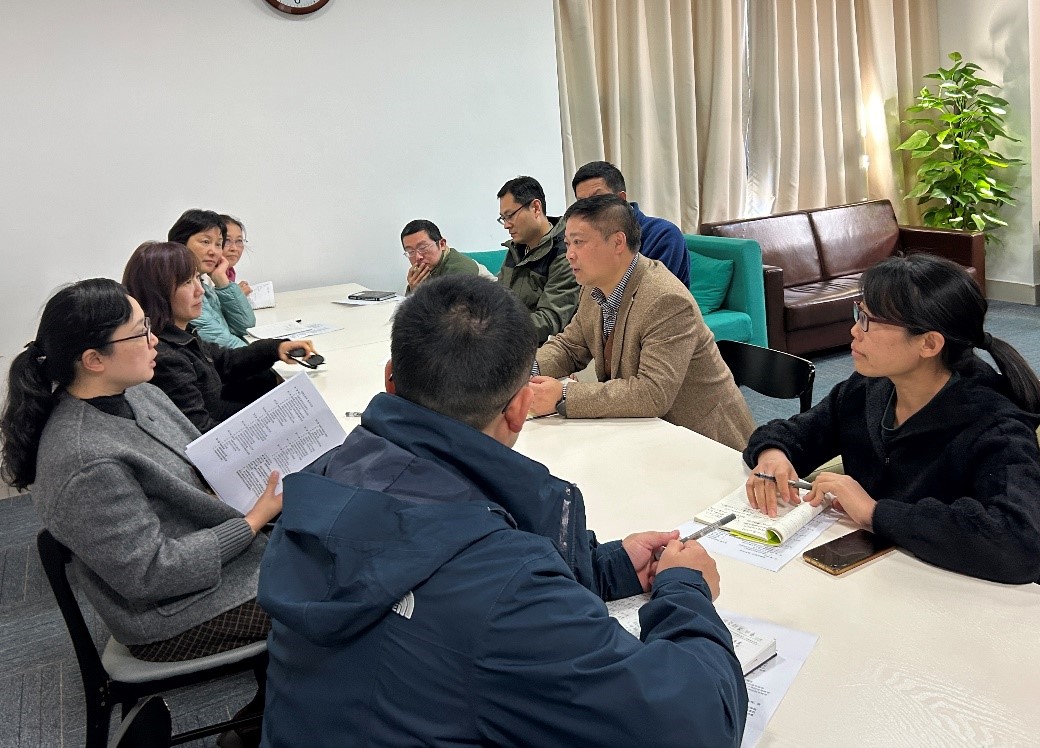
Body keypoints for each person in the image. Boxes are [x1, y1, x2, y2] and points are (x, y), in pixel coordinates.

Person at [257, 276, 747, 747]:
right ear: (520, 408)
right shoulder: (504, 588)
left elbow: (437, 546)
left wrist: (607, 567)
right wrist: (686, 591)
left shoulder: (324, 477)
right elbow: (696, 725)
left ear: (390, 378)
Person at [0, 278, 282, 662]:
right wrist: (252, 522)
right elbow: (151, 574)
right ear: (94, 360)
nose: (154, 340)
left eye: (148, 325)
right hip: (172, 614)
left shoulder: (139, 392)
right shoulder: (85, 461)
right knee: (336, 596)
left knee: (335, 554)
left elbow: (195, 466)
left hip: (213, 556)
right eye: (139, 333)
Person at [744, 254, 1040, 584]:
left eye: (869, 321)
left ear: (929, 343)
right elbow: (796, 433)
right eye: (859, 313)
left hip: (948, 591)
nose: (854, 330)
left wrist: (874, 512)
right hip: (874, 575)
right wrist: (773, 455)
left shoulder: (996, 427)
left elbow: (1019, 543)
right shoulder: (869, 387)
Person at [530, 194, 756, 451]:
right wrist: (524, 371)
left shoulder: (666, 299)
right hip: (648, 433)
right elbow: (570, 346)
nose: (569, 255)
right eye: (567, 243)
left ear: (618, 242)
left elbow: (652, 393)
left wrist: (563, 394)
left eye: (579, 242)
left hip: (707, 442)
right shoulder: (593, 287)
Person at [123, 242, 317, 433]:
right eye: (187, 282)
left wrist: (276, 348)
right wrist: (276, 420)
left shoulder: (183, 333)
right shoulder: (165, 356)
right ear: (157, 293)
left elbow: (225, 360)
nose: (200, 290)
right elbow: (199, 429)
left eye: (197, 278)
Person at [572, 160, 691, 287]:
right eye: (582, 203)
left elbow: (651, 292)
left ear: (621, 199)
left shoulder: (663, 235)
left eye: (597, 199)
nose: (588, 208)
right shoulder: (585, 239)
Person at [497, 175, 579, 344]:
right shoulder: (516, 248)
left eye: (510, 215)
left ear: (535, 208)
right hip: (510, 340)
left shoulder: (564, 253)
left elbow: (550, 320)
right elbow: (498, 296)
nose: (506, 225)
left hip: (542, 347)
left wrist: (498, 329)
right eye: (503, 218)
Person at [168, 208, 255, 348]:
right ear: (181, 243)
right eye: (205, 242)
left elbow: (246, 327)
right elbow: (225, 343)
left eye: (218, 244)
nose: (214, 251)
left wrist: (222, 282)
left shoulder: (202, 284)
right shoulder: (177, 287)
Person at [400, 218, 480, 293]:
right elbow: (407, 301)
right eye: (410, 252)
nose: (418, 257)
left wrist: (419, 292)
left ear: (442, 244)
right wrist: (413, 289)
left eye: (423, 248)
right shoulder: (424, 270)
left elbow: (451, 302)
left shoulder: (460, 269)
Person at [221, 213, 252, 297]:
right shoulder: (205, 277)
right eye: (227, 240)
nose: (234, 248)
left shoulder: (229, 272)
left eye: (239, 241)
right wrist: (237, 296)